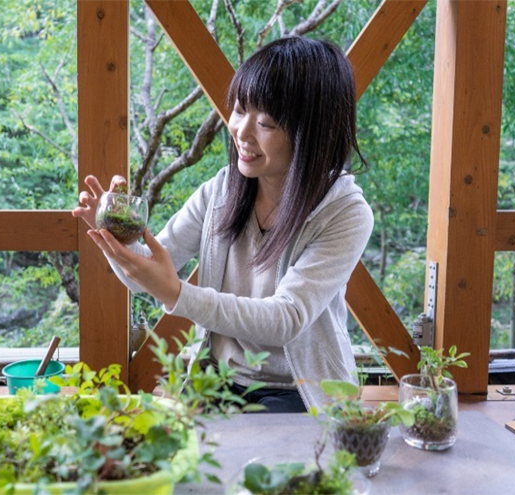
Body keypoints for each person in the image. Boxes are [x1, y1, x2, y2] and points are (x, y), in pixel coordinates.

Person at [72, 35, 372, 413]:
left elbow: (287, 317)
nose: (242, 132)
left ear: (312, 131)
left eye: (265, 122)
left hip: (301, 390)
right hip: (218, 382)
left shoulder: (345, 212)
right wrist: (117, 234)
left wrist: (177, 293)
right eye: (240, 110)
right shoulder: (221, 191)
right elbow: (144, 274)